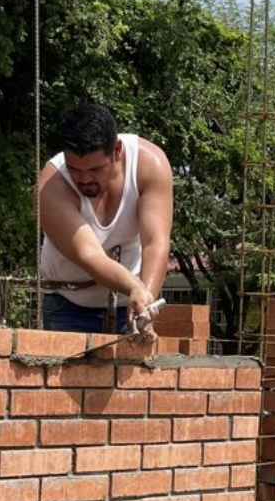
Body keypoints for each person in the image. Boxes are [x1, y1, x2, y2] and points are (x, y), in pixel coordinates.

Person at [37, 104, 174, 333]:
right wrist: (134, 287)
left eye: (95, 168)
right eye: (75, 169)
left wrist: (146, 302)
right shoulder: (50, 188)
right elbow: (90, 255)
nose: (85, 178)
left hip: (128, 306)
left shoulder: (150, 165)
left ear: (117, 151)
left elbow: (155, 242)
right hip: (68, 306)